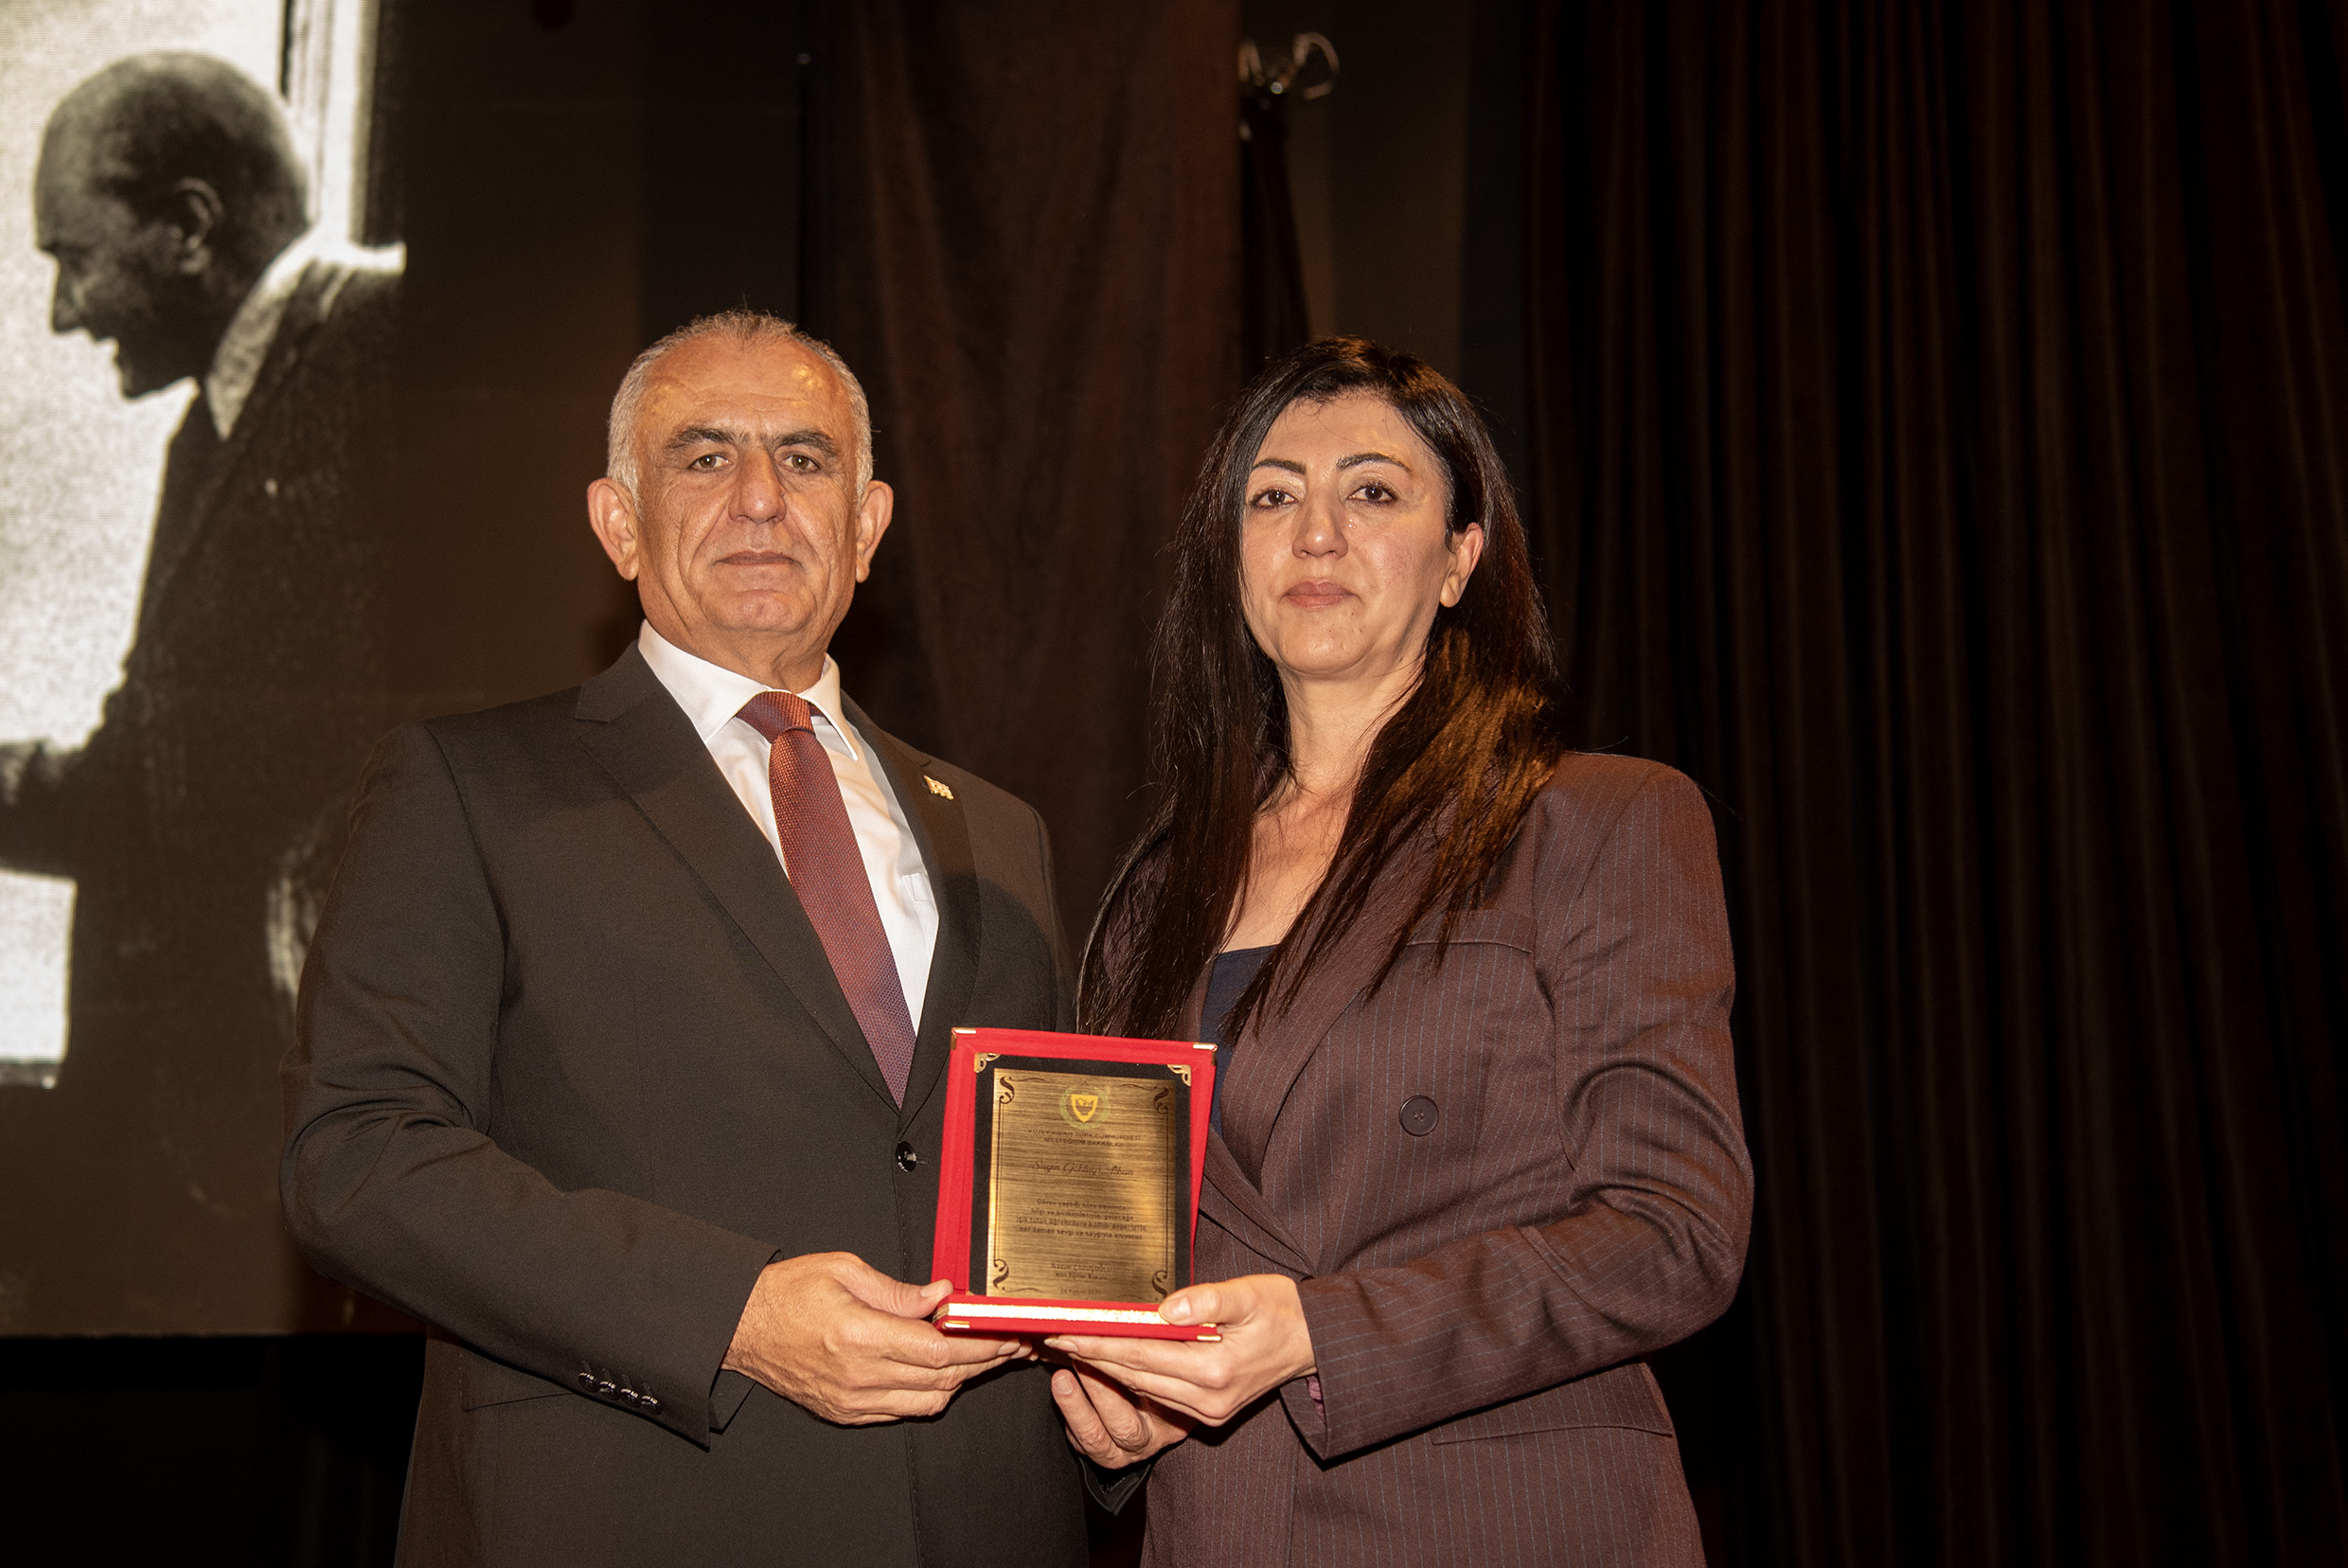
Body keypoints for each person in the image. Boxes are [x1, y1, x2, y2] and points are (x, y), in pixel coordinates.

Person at [283, 311, 1093, 1565]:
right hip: (632, 1514)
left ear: (867, 526)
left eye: (806, 458)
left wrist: (1107, 1375)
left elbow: (1038, 1180)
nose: (761, 497)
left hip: (985, 1520)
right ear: (618, 522)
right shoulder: (469, 788)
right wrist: (734, 1314)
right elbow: (357, 1161)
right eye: (706, 456)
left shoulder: (998, 827)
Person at [1049, 338, 1752, 1564]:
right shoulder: (1158, 887)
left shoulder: (1599, 822)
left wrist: (1325, 1333)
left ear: (1461, 558)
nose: (1316, 533)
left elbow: (1672, 1232)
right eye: (1273, 497)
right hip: (1223, 1529)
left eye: (1372, 491)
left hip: (1506, 1523)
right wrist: (1109, 1399)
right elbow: (1110, 1254)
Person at [0, 52, 400, 1329]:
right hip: (218, 1154)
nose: (64, 313)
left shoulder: (385, 349)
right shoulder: (226, 415)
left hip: (303, 1158)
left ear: (188, 224)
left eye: (74, 259)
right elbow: (158, 773)